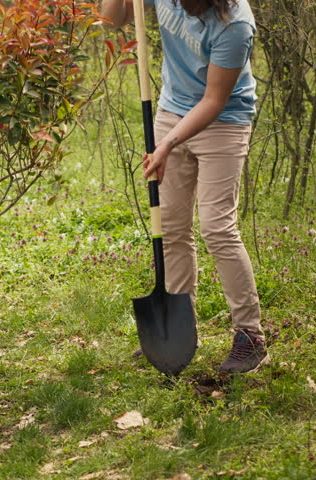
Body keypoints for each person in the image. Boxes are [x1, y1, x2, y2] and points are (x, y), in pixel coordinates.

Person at [103, 0, 269, 373]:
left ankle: (250, 336)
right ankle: (179, 331)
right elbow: (111, 21)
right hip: (171, 111)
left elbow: (213, 100)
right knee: (173, 228)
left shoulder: (235, 25)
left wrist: (167, 144)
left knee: (218, 228)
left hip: (223, 123)